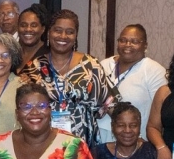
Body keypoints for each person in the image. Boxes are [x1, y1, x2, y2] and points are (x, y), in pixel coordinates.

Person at [20, 9, 118, 146]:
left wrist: (130, 133)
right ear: (49, 32)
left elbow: (111, 104)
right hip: (42, 143)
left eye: (70, 32)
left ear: (76, 35)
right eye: (58, 30)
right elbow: (22, 106)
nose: (63, 36)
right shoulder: (33, 68)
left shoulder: (91, 65)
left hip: (82, 142)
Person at [98, 24, 167, 142]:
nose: (127, 45)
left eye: (134, 41)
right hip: (99, 138)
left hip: (134, 140)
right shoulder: (103, 65)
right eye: (123, 40)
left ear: (145, 45)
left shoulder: (154, 70)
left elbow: (161, 112)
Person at [14, 5, 47, 73]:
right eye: (23, 25)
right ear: (17, 27)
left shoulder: (49, 55)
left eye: (34, 25)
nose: (28, 29)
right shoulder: (12, 53)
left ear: (43, 29)